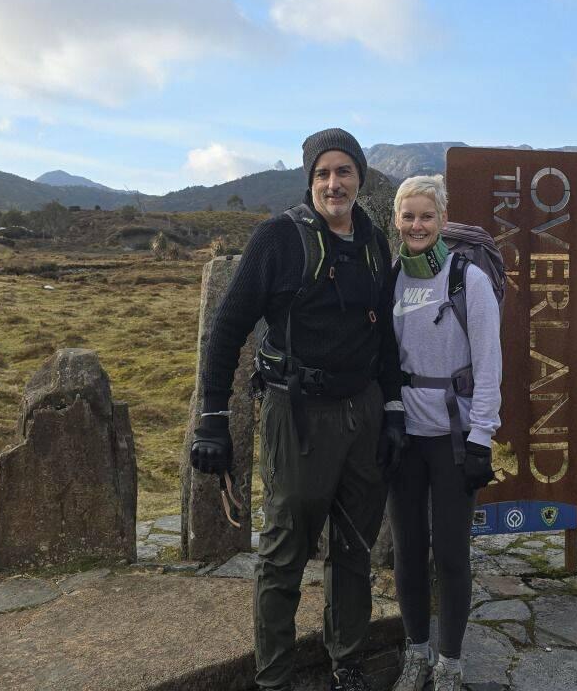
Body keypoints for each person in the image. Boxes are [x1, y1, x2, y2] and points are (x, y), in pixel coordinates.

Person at [190, 128, 406, 691]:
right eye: (322, 173)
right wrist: (213, 417)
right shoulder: (278, 240)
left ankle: (348, 662)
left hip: (362, 413)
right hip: (297, 415)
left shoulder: (373, 242)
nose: (333, 183)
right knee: (285, 553)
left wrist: (394, 408)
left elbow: (383, 334)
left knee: (355, 549)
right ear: (310, 180)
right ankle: (275, 678)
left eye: (343, 172)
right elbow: (227, 329)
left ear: (359, 177)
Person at [387, 174, 501, 691]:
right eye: (408, 216)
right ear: (396, 221)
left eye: (426, 216)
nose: (417, 225)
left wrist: (483, 436)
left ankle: (450, 661)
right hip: (405, 436)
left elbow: (489, 362)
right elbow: (385, 358)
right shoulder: (391, 278)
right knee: (409, 551)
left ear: (441, 220)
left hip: (454, 437)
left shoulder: (466, 279)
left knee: (452, 553)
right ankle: (417, 652)